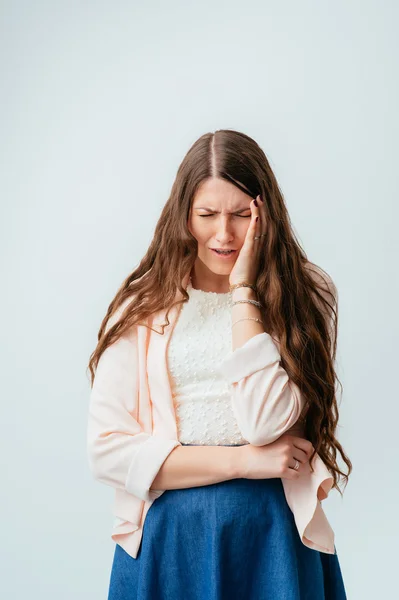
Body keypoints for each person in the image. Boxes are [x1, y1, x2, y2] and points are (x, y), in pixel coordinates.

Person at [86, 129, 351, 599]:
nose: (224, 234)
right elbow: (107, 452)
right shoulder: (142, 306)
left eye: (242, 215)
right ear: (183, 215)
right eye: (207, 214)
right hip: (171, 538)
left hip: (273, 534)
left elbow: (266, 422)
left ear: (266, 213)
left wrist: (244, 292)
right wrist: (244, 462)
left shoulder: (306, 295)